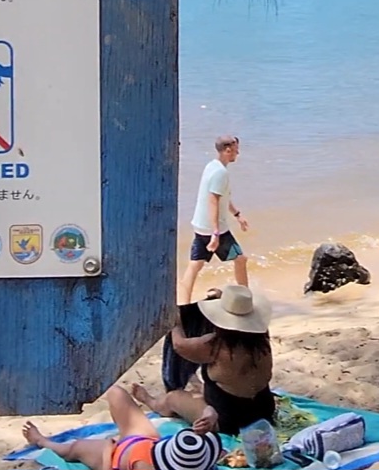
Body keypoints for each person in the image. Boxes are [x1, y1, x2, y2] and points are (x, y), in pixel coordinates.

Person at [133, 286, 276, 435]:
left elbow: (179, 345)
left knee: (173, 398)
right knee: (223, 383)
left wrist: (176, 322)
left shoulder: (216, 346)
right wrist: (224, 299)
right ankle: (198, 386)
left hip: (229, 420)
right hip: (264, 410)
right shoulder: (262, 337)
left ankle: (150, 401)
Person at [21, 386, 220, 470]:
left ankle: (42, 441)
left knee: (74, 449)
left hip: (116, 456)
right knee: (116, 393)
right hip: (147, 442)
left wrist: (109, 450)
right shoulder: (195, 460)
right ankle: (151, 401)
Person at [181, 136, 247, 303]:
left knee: (194, 266)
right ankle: (246, 300)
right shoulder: (220, 173)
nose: (238, 153)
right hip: (214, 230)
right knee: (240, 259)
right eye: (235, 149)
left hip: (200, 226)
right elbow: (213, 201)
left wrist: (237, 215)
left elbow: (222, 197)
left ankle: (183, 305)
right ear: (227, 150)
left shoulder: (211, 166)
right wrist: (215, 234)